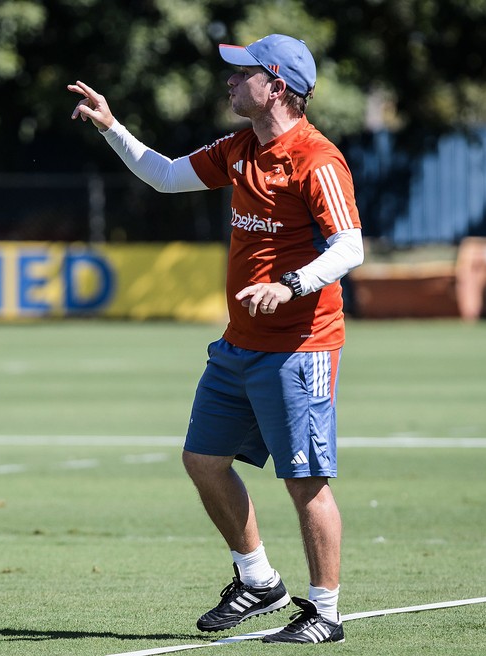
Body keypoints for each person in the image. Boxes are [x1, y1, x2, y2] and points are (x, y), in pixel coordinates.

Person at [69, 33, 363, 644]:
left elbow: (350, 246)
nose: (229, 81)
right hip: (239, 345)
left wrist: (291, 284)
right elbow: (166, 177)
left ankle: (326, 615)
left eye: (242, 73)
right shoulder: (239, 149)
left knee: (305, 482)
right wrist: (112, 127)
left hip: (299, 348)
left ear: (277, 86)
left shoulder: (317, 158)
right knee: (202, 460)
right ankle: (258, 579)